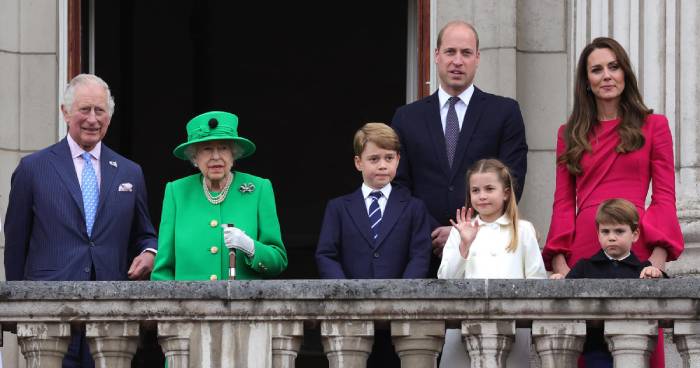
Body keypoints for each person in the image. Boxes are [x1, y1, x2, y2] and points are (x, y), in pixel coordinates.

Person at [542, 37, 684, 368]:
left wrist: (656, 263)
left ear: (625, 73)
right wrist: (564, 267)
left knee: (638, 350)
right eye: (596, 69)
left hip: (638, 254)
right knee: (588, 353)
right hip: (584, 254)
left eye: (613, 66)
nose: (606, 75)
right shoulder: (570, 133)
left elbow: (664, 197)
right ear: (586, 82)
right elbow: (563, 202)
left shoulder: (655, 126)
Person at [3, 74, 158, 368]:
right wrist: (18, 306)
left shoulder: (129, 172)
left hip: (110, 315)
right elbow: (16, 243)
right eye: (84, 110)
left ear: (109, 117)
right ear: (65, 112)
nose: (92, 119)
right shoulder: (33, 169)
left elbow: (144, 234)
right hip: (49, 313)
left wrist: (150, 253)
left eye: (100, 111)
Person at [391, 20, 528, 275]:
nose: (457, 61)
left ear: (477, 58)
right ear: (436, 56)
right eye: (450, 52)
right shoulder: (406, 118)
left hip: (486, 253)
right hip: (421, 252)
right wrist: (432, 231)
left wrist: (462, 232)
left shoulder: (504, 112)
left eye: (466, 53)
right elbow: (398, 185)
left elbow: (512, 179)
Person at [315, 122, 432, 366]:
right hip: (352, 315)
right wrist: (346, 292)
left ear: (398, 160)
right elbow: (326, 254)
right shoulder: (338, 207)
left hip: (399, 317)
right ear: (359, 162)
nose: (382, 165)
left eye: (389, 158)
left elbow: (420, 255)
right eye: (374, 158)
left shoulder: (413, 207)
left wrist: (403, 295)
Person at [151, 111, 287, 281]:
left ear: (233, 153)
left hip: (243, 304)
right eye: (207, 149)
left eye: (223, 148)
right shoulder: (176, 192)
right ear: (194, 156)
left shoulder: (259, 189)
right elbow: (162, 271)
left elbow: (278, 262)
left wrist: (251, 247)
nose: (216, 157)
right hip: (189, 305)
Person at [437, 158, 545, 367]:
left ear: (505, 193)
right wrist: (464, 246)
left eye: (489, 189)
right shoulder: (461, 230)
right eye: (475, 190)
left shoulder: (523, 230)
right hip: (463, 327)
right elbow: (445, 280)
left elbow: (536, 280)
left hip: (513, 328)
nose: (482, 196)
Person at [551, 199, 667, 368]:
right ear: (598, 234)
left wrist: (658, 275)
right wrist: (559, 282)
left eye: (619, 231)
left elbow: (668, 297)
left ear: (635, 234)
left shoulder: (643, 269)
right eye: (605, 231)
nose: (611, 237)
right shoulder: (585, 266)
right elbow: (566, 297)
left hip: (635, 347)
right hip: (595, 348)